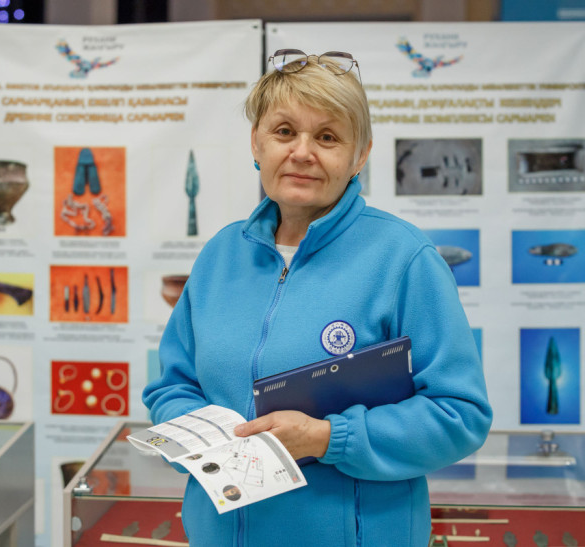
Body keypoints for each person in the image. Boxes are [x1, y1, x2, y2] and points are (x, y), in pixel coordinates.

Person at [143, 49, 492, 547]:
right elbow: (172, 387)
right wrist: (197, 434)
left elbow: (459, 415)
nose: (302, 152)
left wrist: (328, 439)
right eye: (285, 131)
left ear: (360, 155)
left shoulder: (404, 259)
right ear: (257, 142)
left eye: (327, 137)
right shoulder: (220, 255)